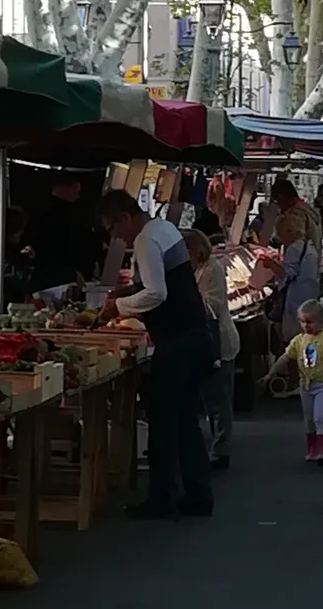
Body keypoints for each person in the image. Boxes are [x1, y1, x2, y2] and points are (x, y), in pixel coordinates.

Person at [97, 190, 213, 518]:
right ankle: (198, 494)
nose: (114, 235)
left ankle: (161, 498)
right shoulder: (165, 228)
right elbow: (161, 283)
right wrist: (127, 292)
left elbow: (157, 292)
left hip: (175, 340)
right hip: (194, 334)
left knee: (163, 419)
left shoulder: (146, 240)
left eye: (111, 227)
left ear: (124, 217)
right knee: (186, 420)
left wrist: (116, 306)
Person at [263, 298, 323, 464]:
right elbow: (285, 357)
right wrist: (271, 373)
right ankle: (312, 448)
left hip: (322, 384)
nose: (305, 326)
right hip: (305, 385)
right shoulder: (298, 340)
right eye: (302, 322)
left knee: (319, 417)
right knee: (308, 419)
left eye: (309, 322)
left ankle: (322, 450)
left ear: (321, 322)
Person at [183, 229, 240, 470]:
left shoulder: (212, 269)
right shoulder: (196, 269)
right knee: (209, 398)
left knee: (218, 400)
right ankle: (216, 447)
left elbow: (212, 306)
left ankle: (221, 450)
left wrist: (184, 298)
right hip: (201, 341)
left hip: (218, 342)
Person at [263, 208, 321, 341]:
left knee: (294, 341)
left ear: (288, 231)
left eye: (280, 233)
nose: (280, 238)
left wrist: (270, 264)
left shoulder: (294, 248)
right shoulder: (308, 246)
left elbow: (287, 274)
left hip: (296, 303)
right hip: (309, 299)